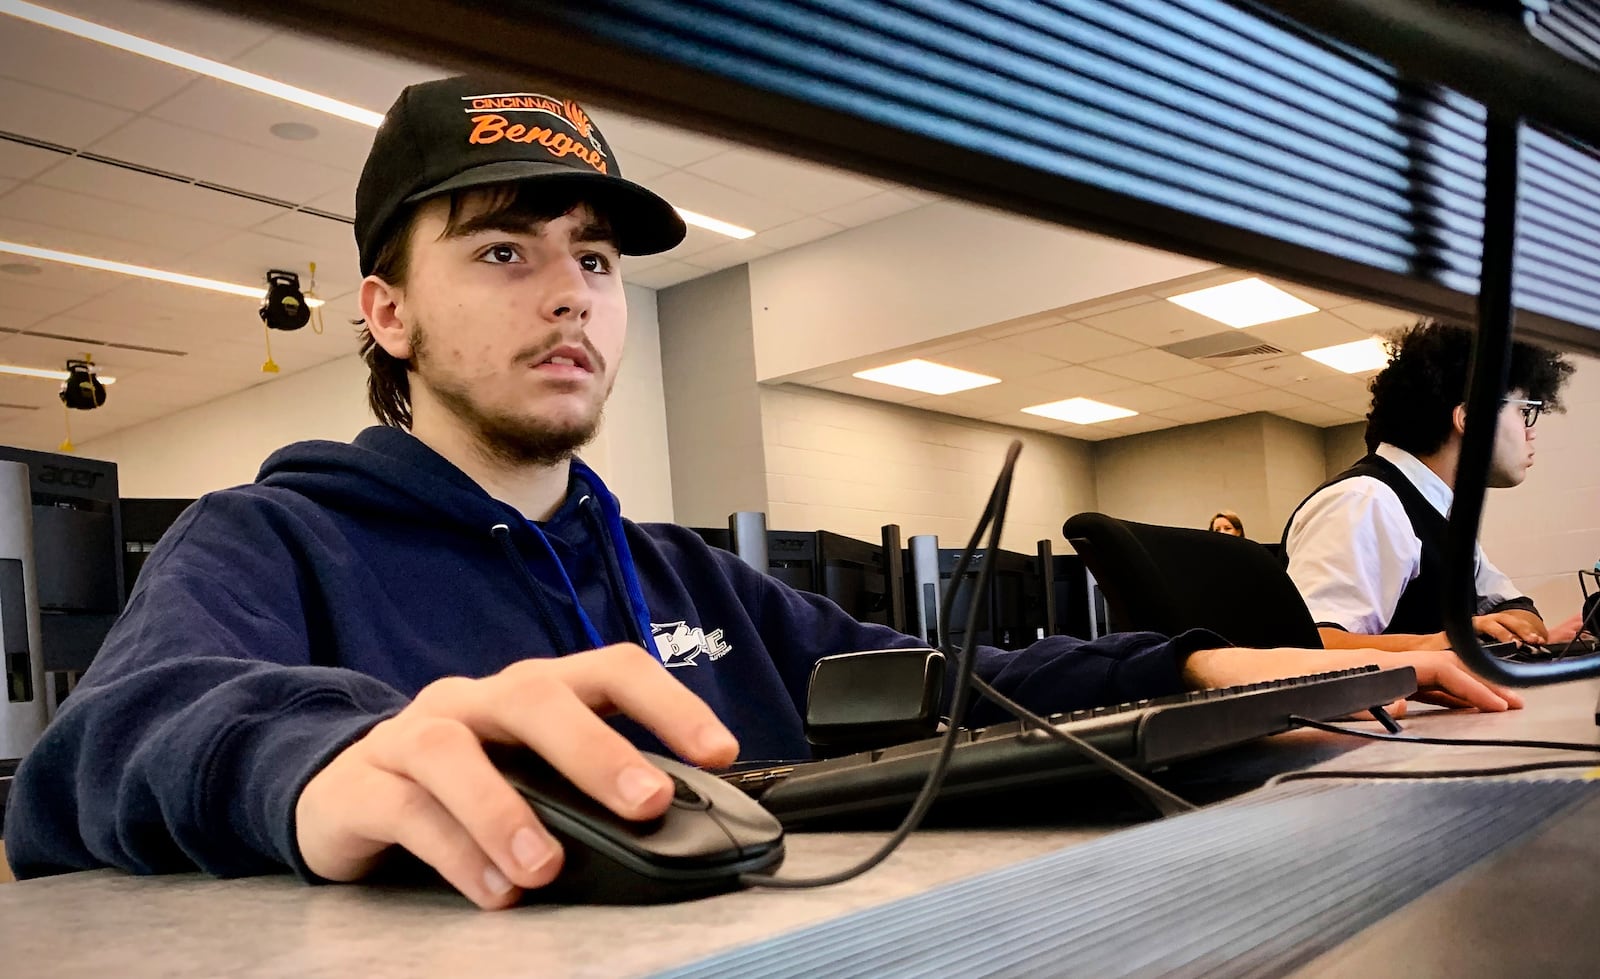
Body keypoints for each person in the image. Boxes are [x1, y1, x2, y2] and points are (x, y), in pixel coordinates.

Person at [3, 78, 1521, 909]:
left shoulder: (681, 575)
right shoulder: (271, 535)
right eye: (503, 248)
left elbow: (945, 689)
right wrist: (317, 756)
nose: (575, 296)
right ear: (385, 311)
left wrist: (1189, 663)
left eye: (595, 256)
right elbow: (96, 752)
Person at [1284, 320, 1575, 652]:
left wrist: (1511, 630)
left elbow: (1519, 611)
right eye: (1524, 412)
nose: (1530, 431)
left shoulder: (1440, 514)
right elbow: (1311, 646)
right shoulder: (1366, 501)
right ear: (1469, 419)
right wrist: (1444, 644)